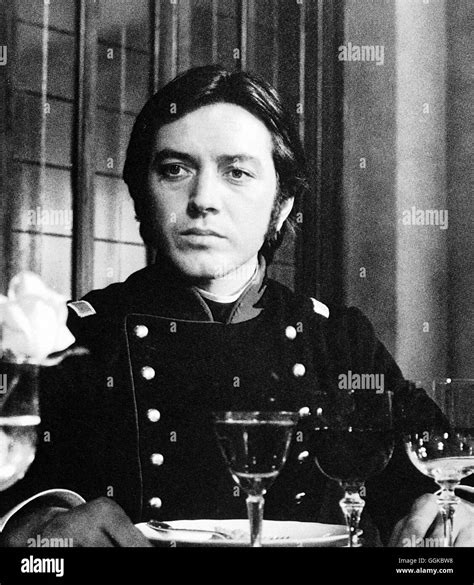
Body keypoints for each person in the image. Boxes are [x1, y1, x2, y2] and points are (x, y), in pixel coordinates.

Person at [1, 65, 472, 548]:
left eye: (237, 172)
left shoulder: (339, 341)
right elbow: (12, 494)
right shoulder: (72, 339)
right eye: (175, 169)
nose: (203, 200)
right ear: (142, 197)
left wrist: (450, 510)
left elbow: (441, 465)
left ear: (281, 205)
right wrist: (40, 524)